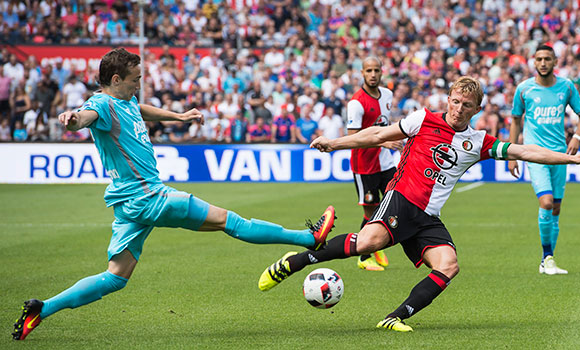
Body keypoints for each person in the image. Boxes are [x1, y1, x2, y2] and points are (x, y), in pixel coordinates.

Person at [12, 48, 337, 341]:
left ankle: (43, 309)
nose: (138, 85)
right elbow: (84, 117)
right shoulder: (102, 104)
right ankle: (309, 238)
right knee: (228, 221)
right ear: (115, 79)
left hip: (129, 206)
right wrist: (72, 120)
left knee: (116, 277)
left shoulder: (126, 102)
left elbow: (143, 110)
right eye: (135, 79)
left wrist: (179, 116)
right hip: (150, 198)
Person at [257, 76, 580, 332]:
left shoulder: (479, 141)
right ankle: (295, 262)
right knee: (369, 242)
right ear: (448, 99)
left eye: (467, 105)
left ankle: (395, 317)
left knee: (449, 265)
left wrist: (569, 160)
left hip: (428, 217)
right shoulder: (422, 120)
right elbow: (378, 135)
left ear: (477, 109)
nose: (458, 109)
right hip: (401, 199)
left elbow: (523, 150)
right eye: (455, 101)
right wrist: (334, 143)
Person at [508, 45, 580, 275]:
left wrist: (577, 136)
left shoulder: (566, 86)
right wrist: (512, 154)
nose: (543, 63)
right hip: (534, 154)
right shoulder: (524, 89)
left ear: (555, 62)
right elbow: (515, 120)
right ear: (534, 62)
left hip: (560, 155)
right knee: (546, 202)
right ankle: (547, 257)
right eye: (539, 59)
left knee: (556, 208)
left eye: (547, 59)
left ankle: (548, 260)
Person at [346, 56, 403, 271]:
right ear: (362, 73)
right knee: (370, 213)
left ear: (382, 72)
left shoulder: (387, 95)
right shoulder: (356, 103)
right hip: (365, 166)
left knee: (395, 202)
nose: (372, 74)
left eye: (376, 70)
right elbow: (352, 136)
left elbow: (384, 125)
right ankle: (364, 256)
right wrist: (384, 141)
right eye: (368, 70)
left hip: (386, 163)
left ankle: (376, 242)